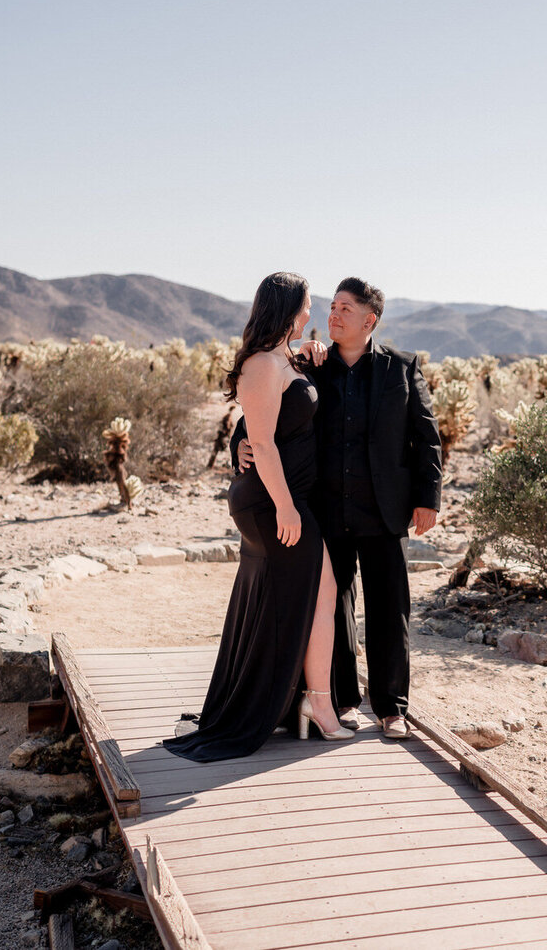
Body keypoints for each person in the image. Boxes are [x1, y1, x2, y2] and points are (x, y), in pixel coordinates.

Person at [238, 277, 441, 740]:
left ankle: (392, 708)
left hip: (384, 510)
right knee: (335, 605)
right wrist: (239, 447)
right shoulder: (312, 365)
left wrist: (427, 498)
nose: (333, 315)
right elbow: (266, 410)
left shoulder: (401, 368)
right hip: (328, 508)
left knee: (391, 609)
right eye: (331, 307)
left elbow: (427, 437)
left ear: (370, 320)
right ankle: (344, 699)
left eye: (345, 309)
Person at [165, 272, 351, 762]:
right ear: (290, 306)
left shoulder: (281, 358)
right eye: (309, 304)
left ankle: (313, 703)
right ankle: (318, 707)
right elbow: (262, 441)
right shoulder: (262, 365)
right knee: (318, 592)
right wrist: (287, 506)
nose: (314, 312)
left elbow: (258, 428)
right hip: (273, 502)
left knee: (319, 592)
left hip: (285, 497)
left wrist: (309, 355)